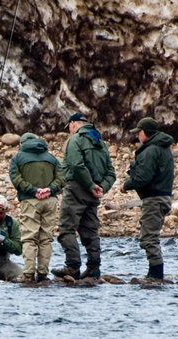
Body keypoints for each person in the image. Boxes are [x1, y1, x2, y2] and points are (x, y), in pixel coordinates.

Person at [52, 113, 116, 280]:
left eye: (69, 127)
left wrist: (89, 185)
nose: (69, 131)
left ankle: (72, 267)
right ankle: (94, 268)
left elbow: (76, 165)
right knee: (90, 231)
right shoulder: (100, 142)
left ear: (73, 124)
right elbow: (111, 173)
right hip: (93, 194)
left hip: (75, 189)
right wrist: (101, 188)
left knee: (67, 229)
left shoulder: (75, 139)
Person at [122, 117, 174, 280]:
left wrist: (127, 184)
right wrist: (134, 169)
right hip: (162, 197)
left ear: (146, 132)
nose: (137, 135)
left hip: (154, 199)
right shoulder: (162, 147)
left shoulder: (150, 150)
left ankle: (156, 275)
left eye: (139, 132)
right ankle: (155, 273)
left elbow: (143, 178)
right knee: (150, 237)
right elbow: (151, 173)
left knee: (148, 238)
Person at [9, 132, 65, 282]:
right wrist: (50, 189)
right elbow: (62, 178)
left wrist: (33, 190)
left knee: (29, 238)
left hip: (30, 201)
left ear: (22, 144)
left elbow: (15, 178)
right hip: (50, 200)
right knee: (46, 239)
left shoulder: (18, 158)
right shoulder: (51, 158)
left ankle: (28, 274)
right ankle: (42, 274)